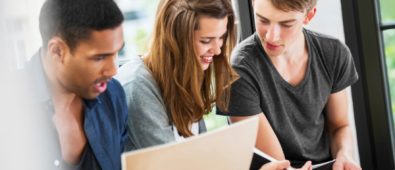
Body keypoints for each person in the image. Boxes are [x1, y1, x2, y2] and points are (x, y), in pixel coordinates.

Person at [217, 0, 362, 169]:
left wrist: (343, 154)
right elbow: (278, 164)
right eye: (263, 20)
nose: (271, 36)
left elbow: (339, 125)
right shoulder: (238, 70)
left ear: (309, 16)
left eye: (286, 24)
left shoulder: (333, 53)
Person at [116, 0, 238, 150]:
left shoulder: (187, 74)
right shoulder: (137, 86)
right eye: (206, 41)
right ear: (176, 40)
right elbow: (169, 162)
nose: (218, 50)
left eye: (221, 38)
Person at [21, 0, 128, 169]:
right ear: (57, 51)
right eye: (99, 58)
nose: (114, 70)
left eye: (117, 53)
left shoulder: (113, 95)